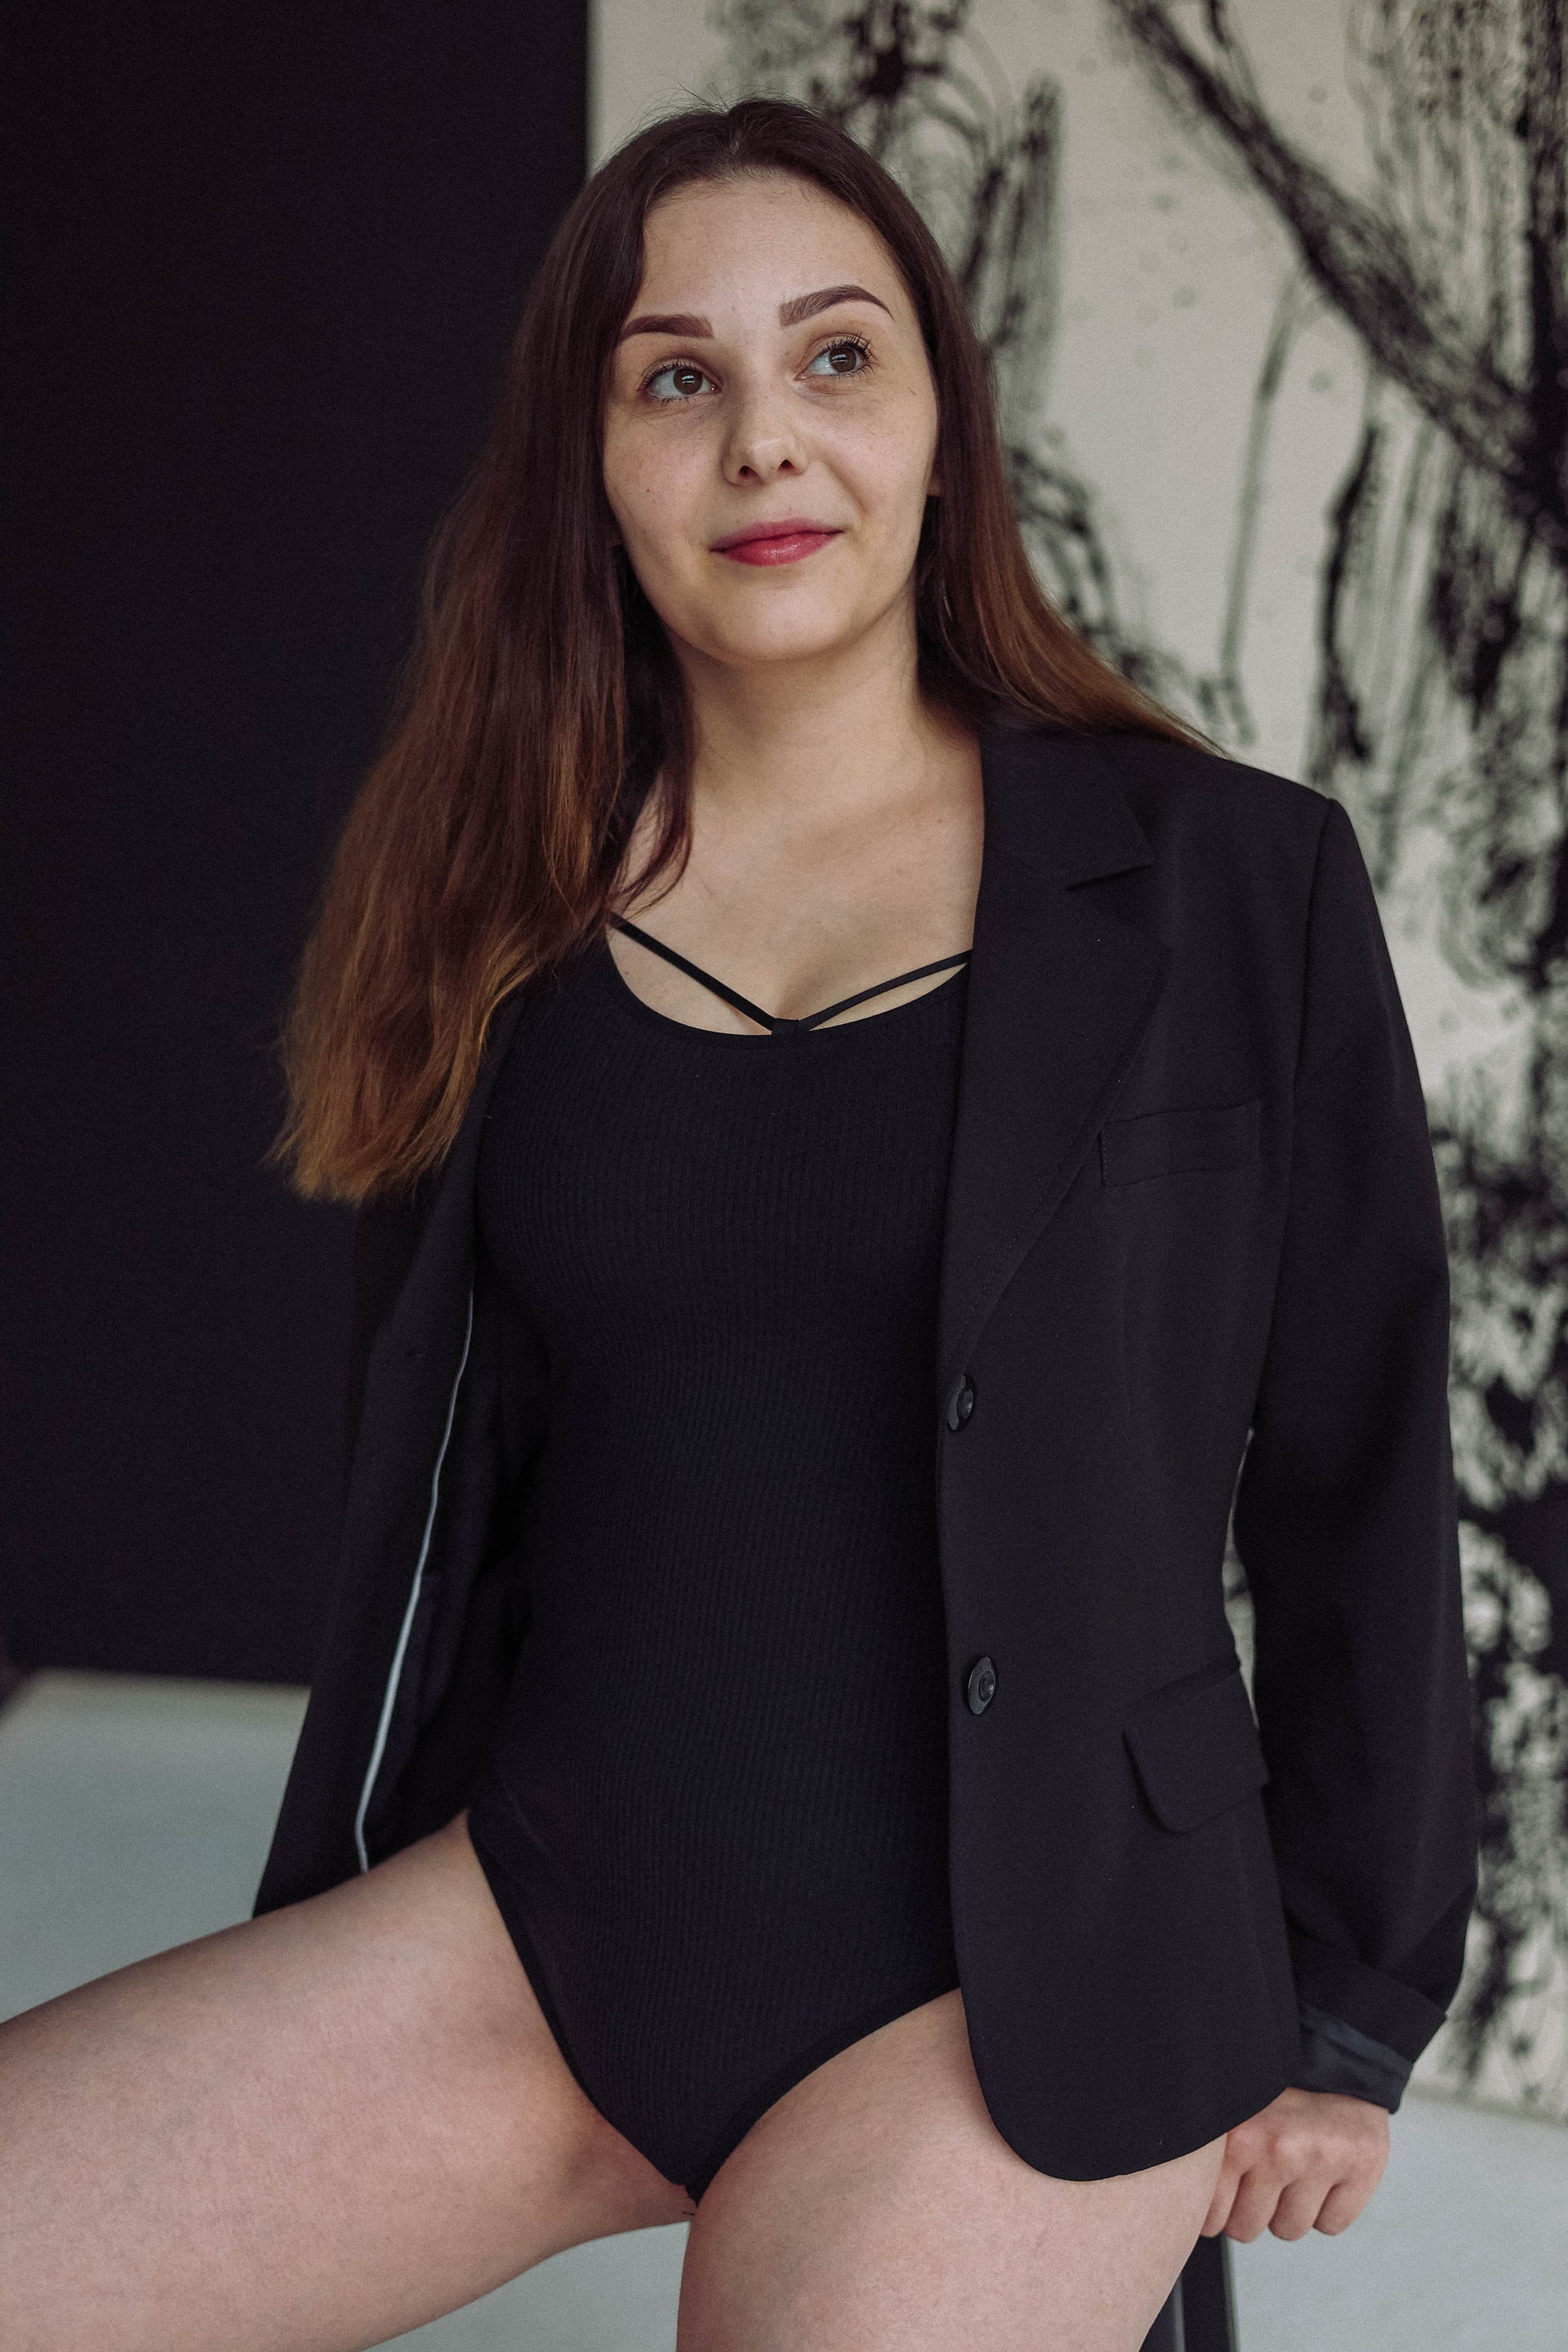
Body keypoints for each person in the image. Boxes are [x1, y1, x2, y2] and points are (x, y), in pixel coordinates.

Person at [1, 98, 1476, 2352]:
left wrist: (1351, 2003)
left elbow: (1361, 1457)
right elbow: (453, 1502)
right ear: (590, 467)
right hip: (561, 1926)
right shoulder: (489, 908)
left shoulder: (1230, 881)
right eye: (677, 378)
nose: (764, 440)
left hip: (1043, 1987)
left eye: (836, 357)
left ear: (943, 432)